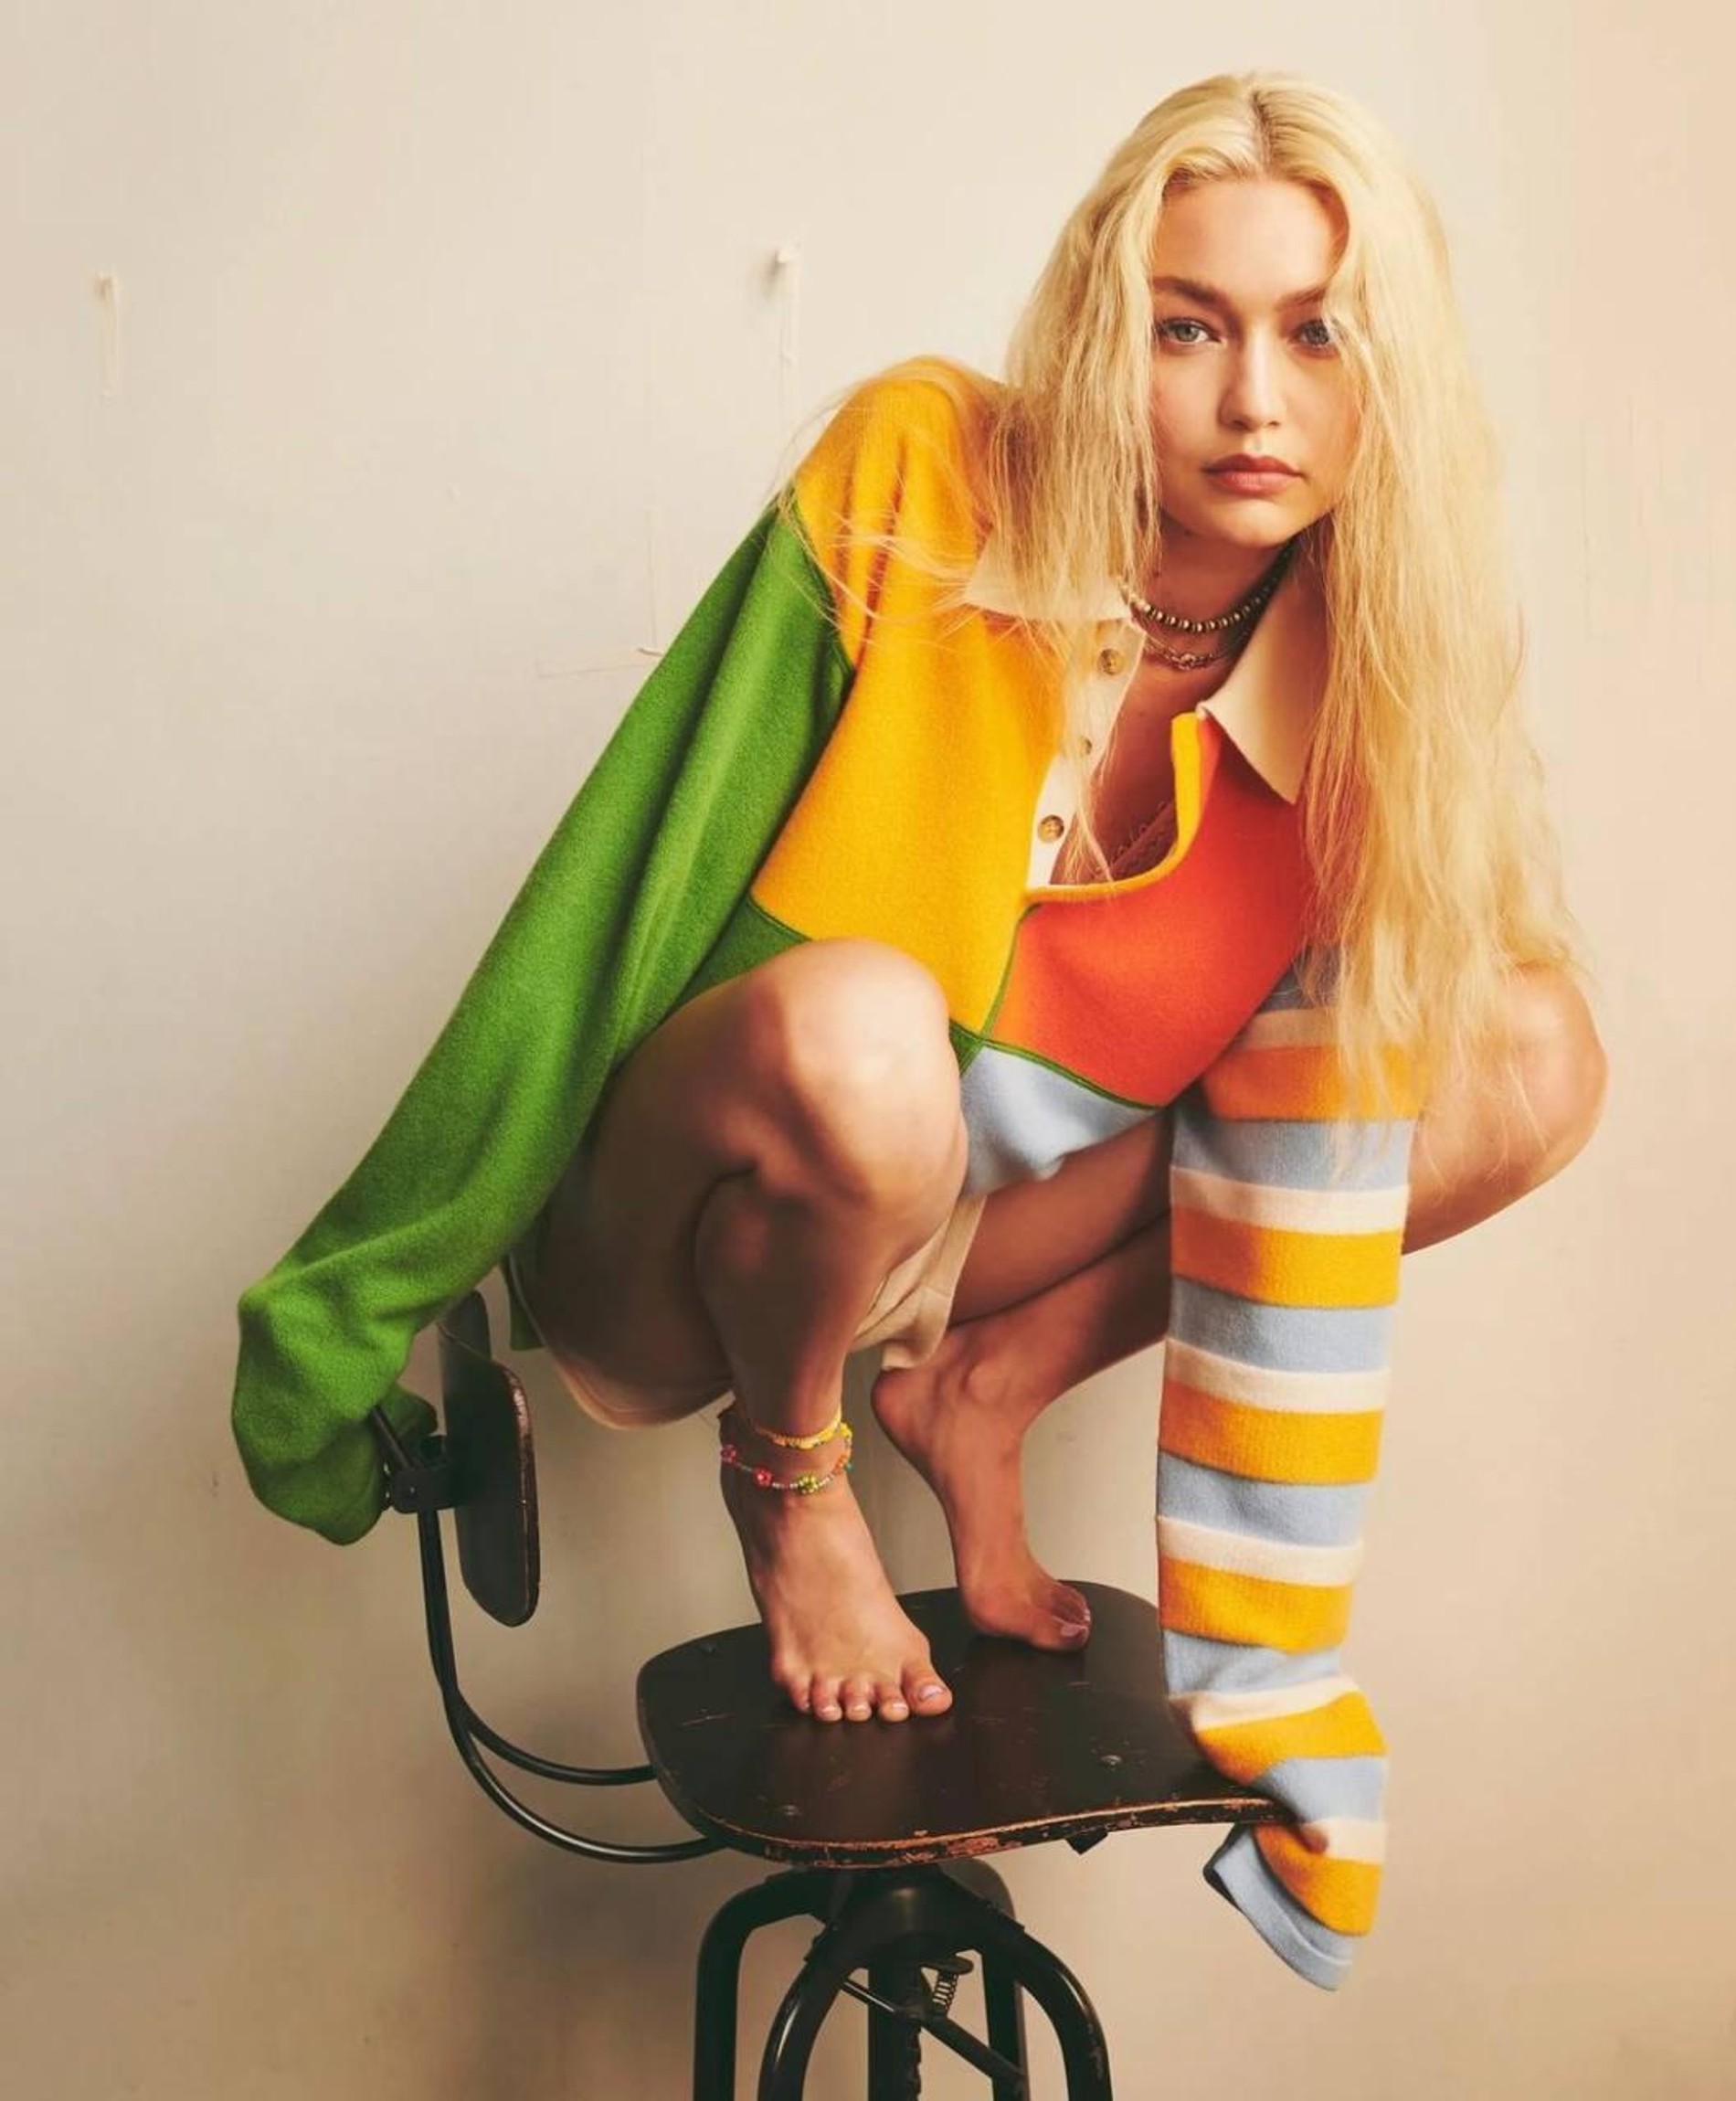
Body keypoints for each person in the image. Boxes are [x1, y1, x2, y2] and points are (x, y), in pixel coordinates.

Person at [231, 70, 1607, 1989]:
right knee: (875, 1034)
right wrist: (347, 1304)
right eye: (1188, 327)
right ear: (1103, 329)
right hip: (690, 1224)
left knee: (1530, 1050)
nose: (1253, 402)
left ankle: (981, 1388)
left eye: (1317, 335)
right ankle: (787, 1478)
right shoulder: (922, 468)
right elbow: (613, 890)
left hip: (961, 1240)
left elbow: (1337, 1121)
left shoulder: (1366, 678)